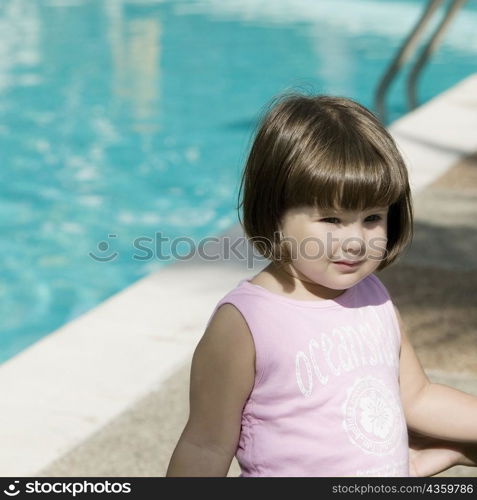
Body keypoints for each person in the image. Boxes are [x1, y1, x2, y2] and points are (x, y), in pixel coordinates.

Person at [166, 93, 477, 477]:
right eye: (331, 219)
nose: (355, 240)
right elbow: (206, 444)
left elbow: (417, 398)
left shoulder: (374, 299)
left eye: (372, 218)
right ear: (275, 213)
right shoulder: (247, 323)